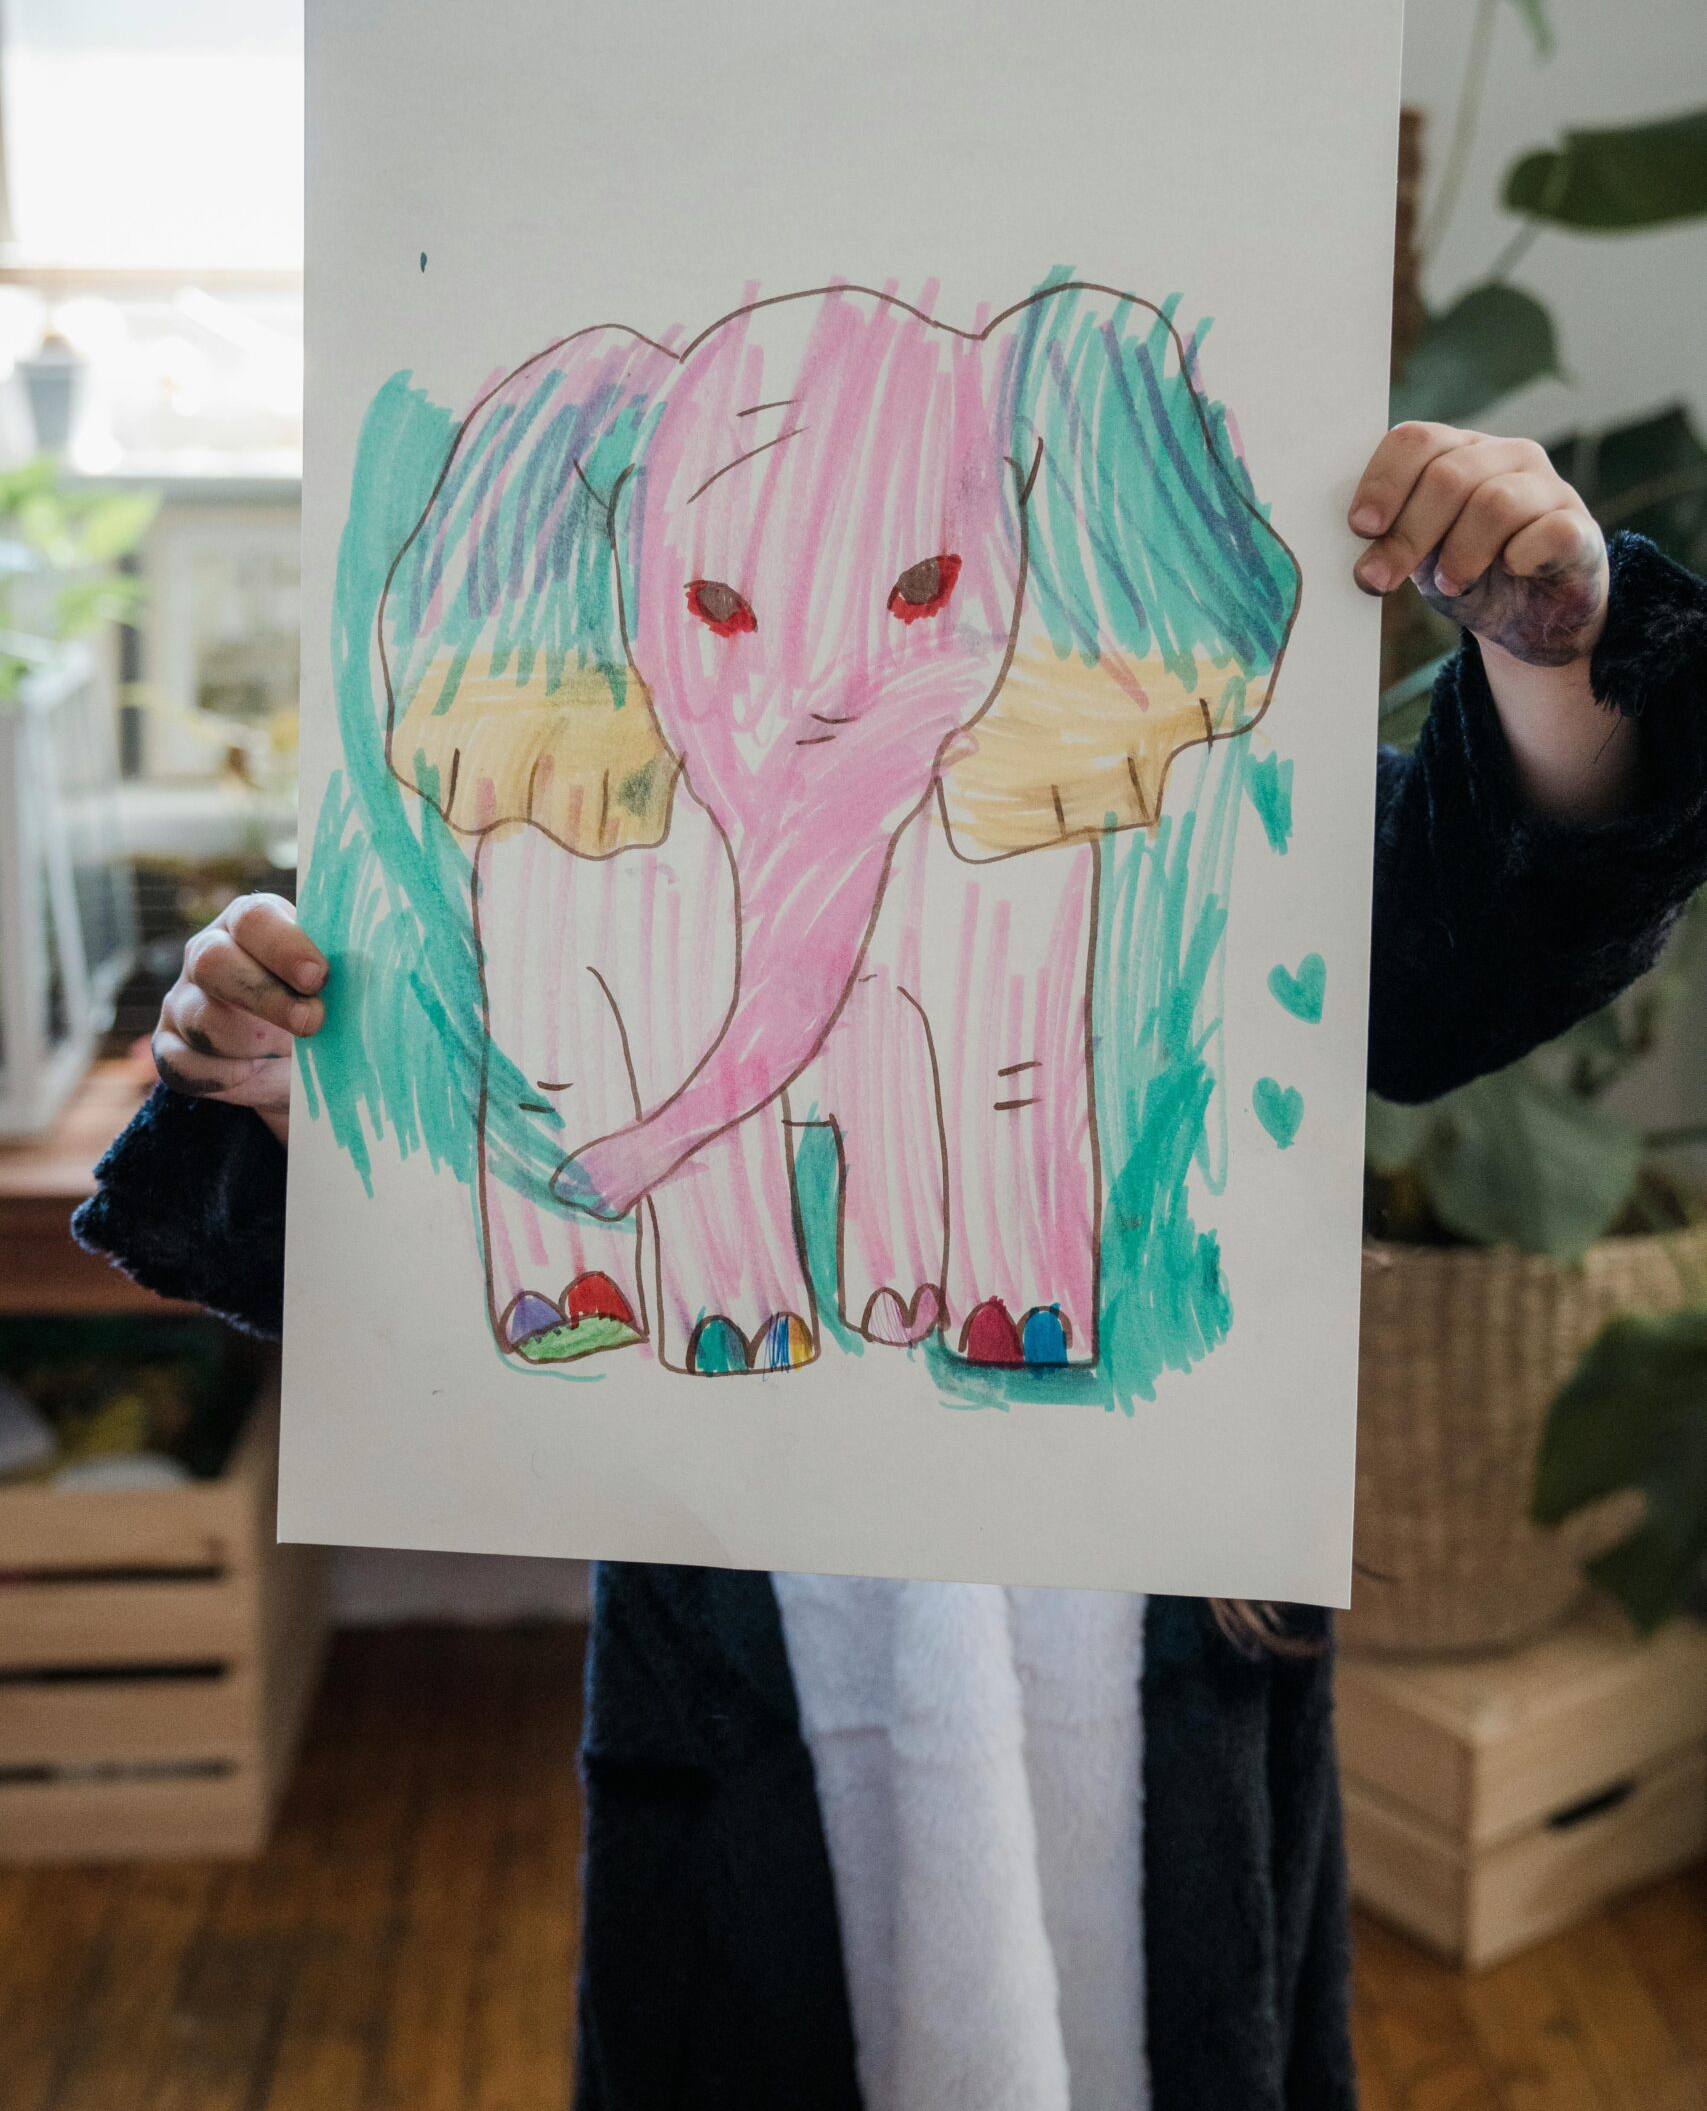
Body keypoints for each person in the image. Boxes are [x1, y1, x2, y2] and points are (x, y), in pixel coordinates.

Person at [77, 423, 1707, 2111]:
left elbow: (1481, 938)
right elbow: (461, 1179)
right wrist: (287, 1079)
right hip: (746, 1682)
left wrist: (1554, 646)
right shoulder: (594, 819)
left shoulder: (1203, 801)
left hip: (1166, 1656)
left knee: (1167, 2021)